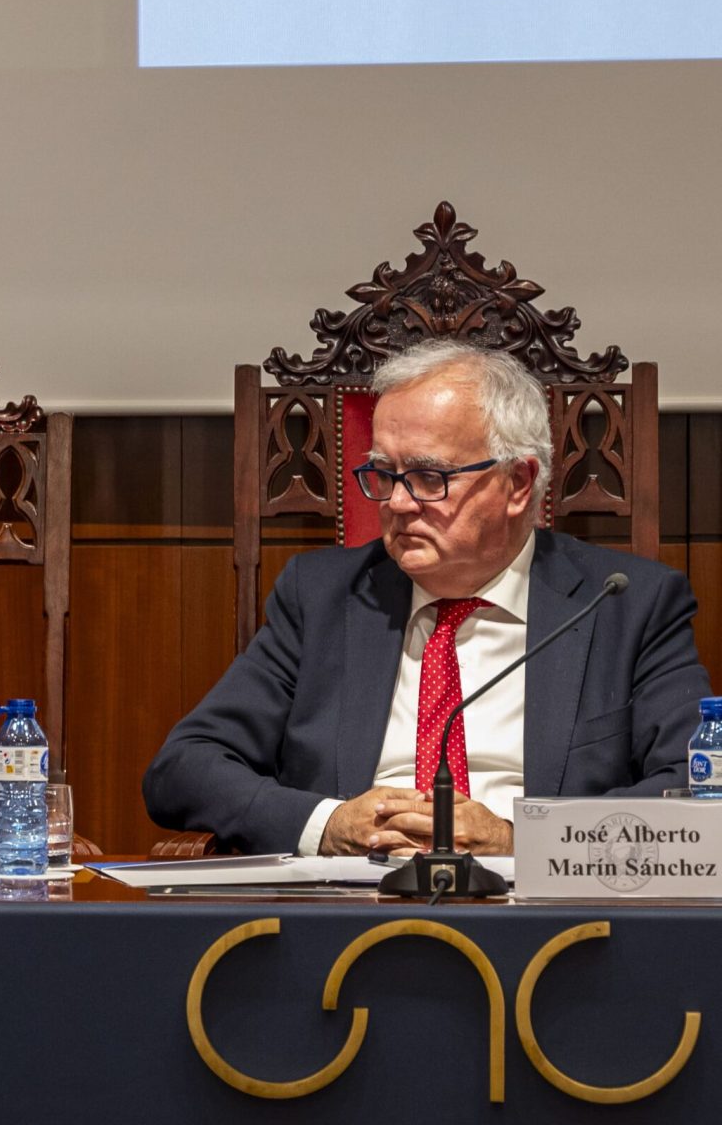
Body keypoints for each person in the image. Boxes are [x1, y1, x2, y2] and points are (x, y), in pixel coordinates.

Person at [144, 341, 710, 856]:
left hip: (541, 909)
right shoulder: (322, 597)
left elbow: (696, 785)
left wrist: (520, 840)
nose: (397, 503)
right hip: (345, 902)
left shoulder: (627, 605)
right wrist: (328, 824)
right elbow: (184, 768)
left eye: (429, 477)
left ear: (517, 483)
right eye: (384, 474)